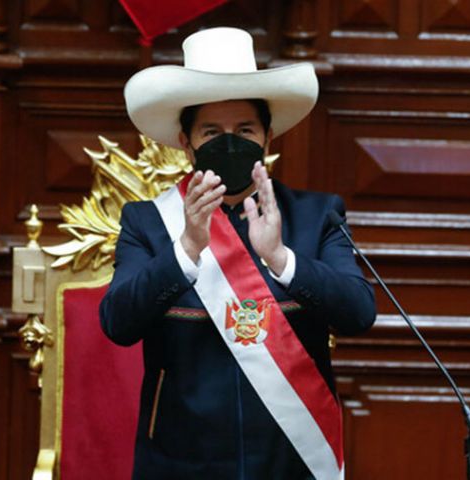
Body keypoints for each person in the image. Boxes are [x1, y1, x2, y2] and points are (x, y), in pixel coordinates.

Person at [100, 27, 376, 479]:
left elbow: (359, 312)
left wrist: (282, 258)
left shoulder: (316, 214)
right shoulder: (148, 222)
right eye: (211, 131)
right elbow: (118, 323)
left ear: (268, 137)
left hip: (291, 458)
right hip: (182, 458)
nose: (229, 142)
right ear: (186, 142)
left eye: (245, 129)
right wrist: (186, 247)